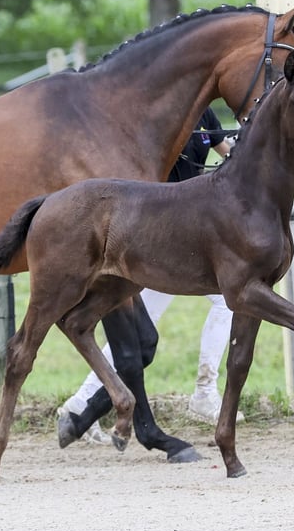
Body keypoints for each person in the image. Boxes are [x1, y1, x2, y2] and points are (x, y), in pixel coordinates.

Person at [58, 106, 243, 445]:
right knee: (138, 331)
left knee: (214, 306)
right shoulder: (165, 119)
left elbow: (226, 155)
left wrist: (244, 148)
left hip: (194, 231)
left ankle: (202, 389)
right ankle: (200, 391)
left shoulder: (204, 116)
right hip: (163, 235)